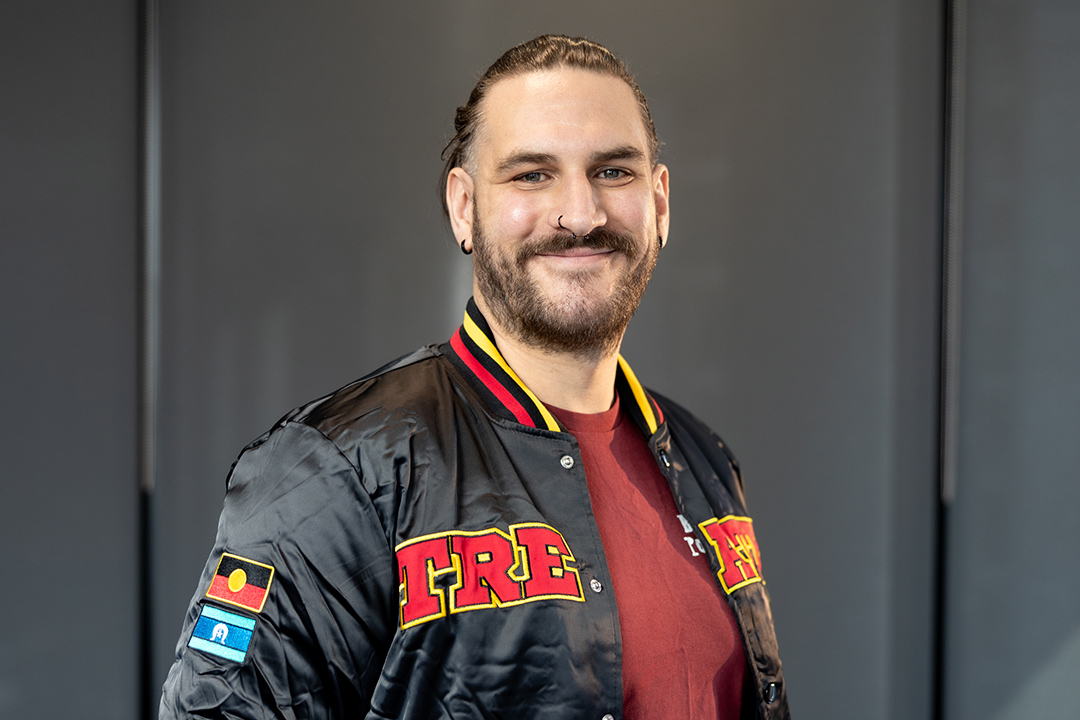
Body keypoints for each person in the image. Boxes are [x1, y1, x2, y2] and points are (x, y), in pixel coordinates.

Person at [160, 34, 789, 720]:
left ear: (660, 204)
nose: (580, 213)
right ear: (464, 207)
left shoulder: (704, 462)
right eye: (531, 174)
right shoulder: (334, 469)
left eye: (613, 172)